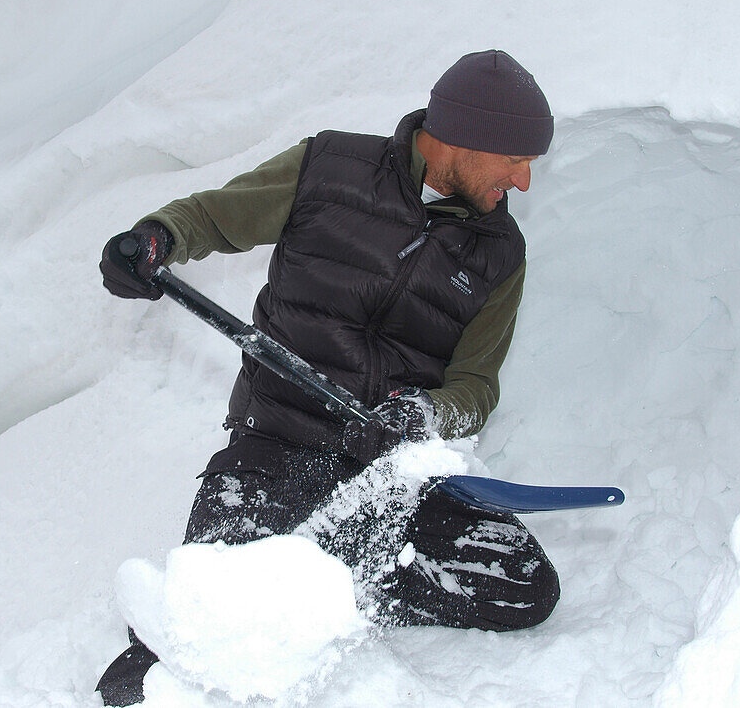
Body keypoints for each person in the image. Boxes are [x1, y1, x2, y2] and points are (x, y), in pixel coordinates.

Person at [96, 49, 560, 706]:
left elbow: (476, 386)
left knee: (524, 584)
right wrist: (155, 239)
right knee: (187, 636)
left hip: (389, 468)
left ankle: (333, 584)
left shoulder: (499, 253)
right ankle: (300, 578)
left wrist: (424, 416)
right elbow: (212, 217)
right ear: (465, 138)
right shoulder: (329, 168)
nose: (523, 180)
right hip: (277, 441)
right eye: (516, 158)